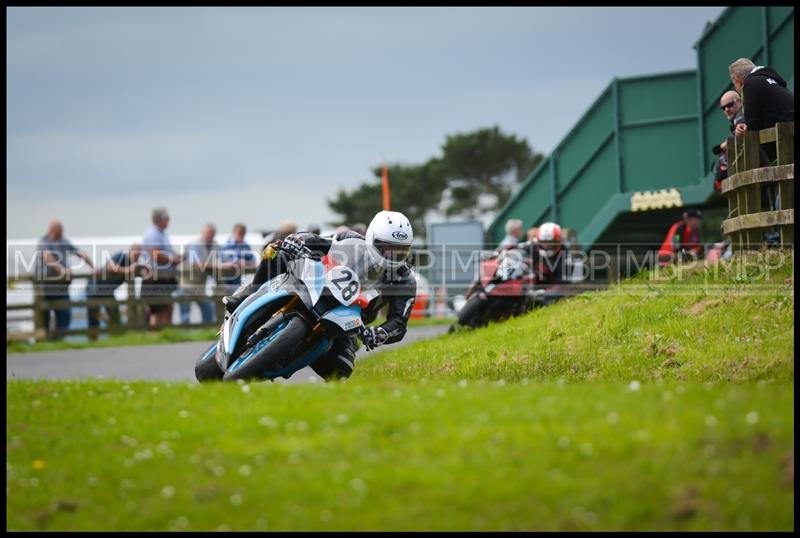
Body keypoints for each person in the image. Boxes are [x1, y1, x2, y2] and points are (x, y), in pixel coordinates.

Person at [222, 210, 417, 381]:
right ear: (372, 238)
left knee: (341, 370)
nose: (393, 255)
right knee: (275, 251)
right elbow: (319, 241)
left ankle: (297, 356)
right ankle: (248, 292)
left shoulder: (405, 280)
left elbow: (399, 323)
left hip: (350, 323)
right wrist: (298, 241)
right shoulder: (350, 239)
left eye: (400, 251)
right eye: (387, 247)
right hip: (319, 286)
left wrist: (380, 333)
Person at [729, 58, 794, 165]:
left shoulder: (750, 84)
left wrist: (745, 129)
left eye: (734, 84)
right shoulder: (772, 79)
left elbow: (752, 123)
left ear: (737, 80)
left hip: (784, 144)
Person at [34, 220, 95, 336]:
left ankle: (59, 340)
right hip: (45, 286)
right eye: (59, 231)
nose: (61, 234)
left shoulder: (64, 241)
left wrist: (92, 266)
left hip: (62, 286)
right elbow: (48, 258)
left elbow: (79, 252)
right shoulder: (44, 241)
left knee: (65, 314)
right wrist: (62, 270)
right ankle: (45, 342)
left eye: (61, 231)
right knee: (44, 316)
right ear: (51, 230)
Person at [86, 243, 147, 336]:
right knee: (94, 318)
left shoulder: (133, 265)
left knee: (114, 316)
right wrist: (127, 270)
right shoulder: (122, 255)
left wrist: (144, 270)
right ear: (131, 251)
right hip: (95, 288)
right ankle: (93, 341)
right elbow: (111, 267)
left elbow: (141, 273)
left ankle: (116, 337)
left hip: (108, 291)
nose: (137, 256)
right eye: (136, 253)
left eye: (139, 255)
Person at [141, 207, 183, 328]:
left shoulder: (161, 234)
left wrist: (176, 257)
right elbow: (156, 254)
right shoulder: (153, 234)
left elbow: (165, 252)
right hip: (156, 278)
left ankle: (164, 334)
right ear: (160, 219)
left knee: (166, 307)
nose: (168, 221)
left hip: (163, 277)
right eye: (167, 218)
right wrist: (174, 260)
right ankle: (155, 336)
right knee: (156, 310)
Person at [177, 223, 219, 325]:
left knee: (208, 311)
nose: (210, 236)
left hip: (200, 286)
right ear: (202, 233)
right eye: (208, 233)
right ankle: (184, 334)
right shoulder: (195, 244)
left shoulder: (215, 245)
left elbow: (218, 259)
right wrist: (217, 266)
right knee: (185, 315)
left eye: (212, 234)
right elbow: (196, 264)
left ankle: (207, 331)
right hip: (187, 285)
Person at [711, 90, 745, 193]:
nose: (726, 109)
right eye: (723, 108)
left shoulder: (742, 116)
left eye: (730, 105)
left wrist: (724, 145)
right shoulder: (735, 122)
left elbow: (741, 125)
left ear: (739, 101)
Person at [218, 223, 258, 296]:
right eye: (239, 233)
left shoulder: (245, 245)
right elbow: (234, 262)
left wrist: (244, 263)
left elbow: (253, 260)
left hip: (238, 281)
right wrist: (243, 263)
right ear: (234, 232)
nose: (241, 236)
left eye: (243, 234)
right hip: (226, 282)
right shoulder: (227, 245)